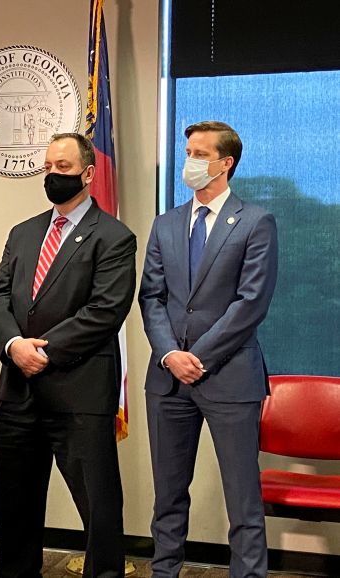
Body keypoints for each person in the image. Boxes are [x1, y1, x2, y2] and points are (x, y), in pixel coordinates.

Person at [0, 133, 136, 578]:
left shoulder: (114, 237)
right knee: (13, 505)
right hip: (19, 391)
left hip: (80, 393)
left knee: (98, 508)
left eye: (63, 167)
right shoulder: (24, 232)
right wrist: (14, 346)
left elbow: (105, 311)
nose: (52, 174)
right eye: (48, 166)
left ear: (87, 174)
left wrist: (44, 353)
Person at [139, 121, 278, 578]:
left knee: (243, 498)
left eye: (200, 154)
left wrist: (197, 357)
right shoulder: (166, 224)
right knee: (168, 494)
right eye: (188, 153)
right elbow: (151, 297)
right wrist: (169, 354)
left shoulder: (255, 222)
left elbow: (251, 302)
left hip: (230, 377)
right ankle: (164, 571)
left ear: (225, 163)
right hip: (167, 379)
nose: (190, 162)